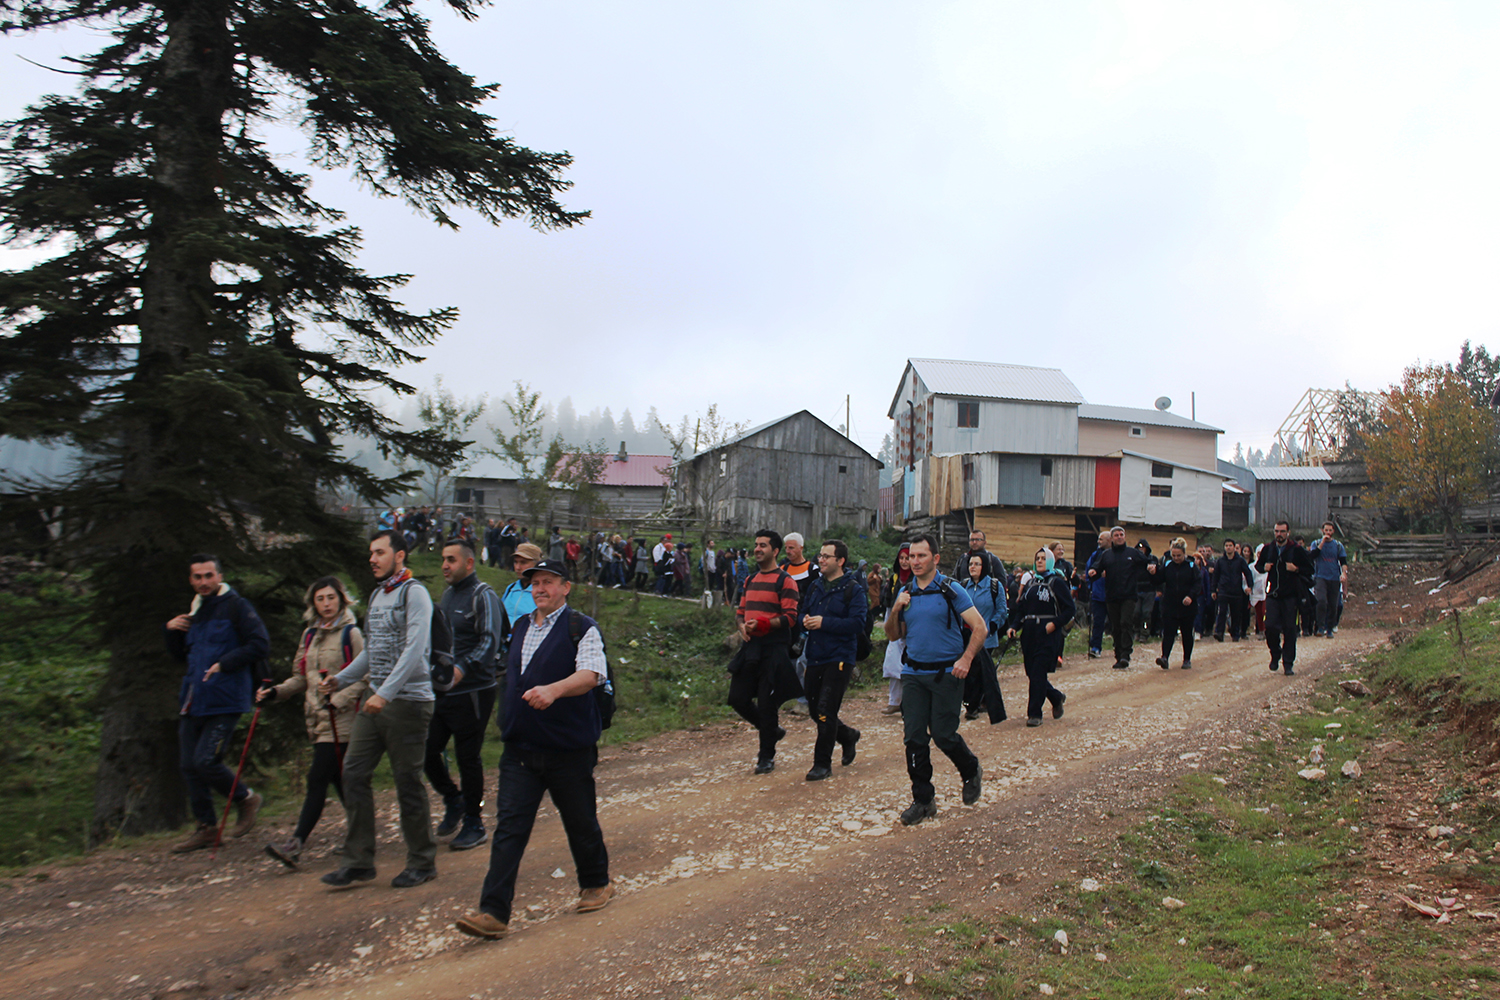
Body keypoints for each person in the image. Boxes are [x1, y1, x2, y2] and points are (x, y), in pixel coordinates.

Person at [454, 559, 612, 940]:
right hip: (521, 749)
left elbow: (592, 674)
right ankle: (493, 912)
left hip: (567, 748)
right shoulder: (522, 626)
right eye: (534, 583)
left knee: (579, 821)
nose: (539, 589)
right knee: (509, 827)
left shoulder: (581, 628)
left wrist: (554, 690)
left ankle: (596, 883)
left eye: (547, 582)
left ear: (565, 587)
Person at [318, 530, 439, 889]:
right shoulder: (377, 595)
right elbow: (372, 651)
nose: (373, 558)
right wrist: (340, 679)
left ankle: (422, 860)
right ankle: (358, 861)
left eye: (380, 552)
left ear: (399, 556)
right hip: (376, 700)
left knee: (407, 782)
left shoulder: (414, 594)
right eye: (371, 552)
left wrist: (385, 693)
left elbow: (414, 650)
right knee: (353, 774)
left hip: (409, 703)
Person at [164, 554, 272, 853]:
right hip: (193, 697)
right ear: (191, 580)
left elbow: (260, 644)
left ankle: (245, 798)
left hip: (226, 697)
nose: (203, 582)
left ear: (220, 576)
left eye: (208, 576)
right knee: (188, 765)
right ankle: (206, 828)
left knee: (205, 761)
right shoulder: (195, 610)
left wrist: (225, 663)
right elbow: (180, 656)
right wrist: (171, 631)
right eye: (197, 577)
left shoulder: (237, 606)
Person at [259, 576, 367, 867]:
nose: (326, 604)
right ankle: (362, 834)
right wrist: (275, 693)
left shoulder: (351, 634)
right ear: (313, 604)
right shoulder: (309, 635)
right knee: (339, 781)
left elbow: (366, 676)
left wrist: (340, 699)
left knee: (317, 777)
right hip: (316, 720)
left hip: (342, 720)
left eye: (331, 597)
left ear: (341, 599)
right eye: (320, 599)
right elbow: (299, 677)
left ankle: (295, 843)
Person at [884, 534, 986, 825]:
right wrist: (896, 608)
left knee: (943, 735)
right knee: (914, 738)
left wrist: (965, 660)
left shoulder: (951, 590)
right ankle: (923, 799)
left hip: (946, 674)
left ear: (936, 559)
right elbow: (893, 635)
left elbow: (979, 628)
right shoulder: (906, 592)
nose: (915, 561)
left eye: (921, 556)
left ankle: (970, 770)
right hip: (914, 674)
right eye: (911, 556)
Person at [426, 539, 505, 852]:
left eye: (451, 560)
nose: (445, 565)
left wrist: (462, 668)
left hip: (474, 690)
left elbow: (489, 642)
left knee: (467, 756)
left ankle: (474, 821)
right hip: (444, 689)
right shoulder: (447, 595)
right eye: (443, 559)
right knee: (427, 749)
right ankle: (453, 799)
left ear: (469, 563)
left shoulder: (482, 596)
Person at [726, 530, 803, 774]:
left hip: (773, 650)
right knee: (738, 698)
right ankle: (773, 731)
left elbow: (791, 618)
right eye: (756, 545)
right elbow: (740, 611)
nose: (757, 549)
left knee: (768, 704)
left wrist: (764, 624)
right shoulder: (749, 580)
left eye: (763, 545)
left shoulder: (785, 581)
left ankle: (765, 757)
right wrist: (741, 627)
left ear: (775, 551)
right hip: (751, 648)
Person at [796, 540, 867, 781]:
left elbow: (858, 624)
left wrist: (824, 622)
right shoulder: (816, 586)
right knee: (815, 710)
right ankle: (847, 735)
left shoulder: (853, 589)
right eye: (820, 555)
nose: (821, 560)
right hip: (815, 655)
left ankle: (821, 764)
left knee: (826, 709)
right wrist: (804, 620)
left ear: (840, 561)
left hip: (840, 657)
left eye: (827, 556)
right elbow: (802, 611)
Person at [1005, 547, 1073, 727]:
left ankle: (1034, 714)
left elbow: (1069, 609)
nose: (1040, 561)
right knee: (1032, 673)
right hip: (1029, 633)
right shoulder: (1030, 584)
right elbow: (1021, 610)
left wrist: (1055, 624)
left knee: (1038, 672)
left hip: (1047, 633)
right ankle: (1055, 696)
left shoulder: (1056, 583)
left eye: (1043, 558)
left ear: (1050, 561)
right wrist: (1014, 626)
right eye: (1037, 558)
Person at [1087, 527, 1152, 669]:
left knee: (1125, 623)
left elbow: (1147, 561)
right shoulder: (1106, 555)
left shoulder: (1132, 553)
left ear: (1125, 536)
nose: (1119, 537)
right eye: (1116, 535)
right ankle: (1118, 654)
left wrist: (1152, 567)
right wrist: (1093, 572)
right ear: (1112, 538)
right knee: (1115, 626)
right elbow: (1096, 568)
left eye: (1121, 534)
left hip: (1129, 595)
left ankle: (1125, 655)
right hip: (1111, 596)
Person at [1256, 521, 1314, 676]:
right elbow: (1258, 566)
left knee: (1290, 630)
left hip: (1291, 596)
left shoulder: (1296, 550)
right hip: (1273, 595)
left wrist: (1296, 569)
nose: (1279, 534)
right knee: (1270, 627)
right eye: (1276, 531)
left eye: (1282, 531)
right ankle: (1275, 653)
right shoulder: (1268, 549)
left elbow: (1310, 569)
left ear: (1288, 532)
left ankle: (1288, 663)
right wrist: (1264, 568)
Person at [960, 551, 1008, 723]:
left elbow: (1002, 610)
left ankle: (974, 706)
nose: (972, 567)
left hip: (986, 638)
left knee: (981, 672)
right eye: (971, 564)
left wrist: (993, 626)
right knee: (970, 672)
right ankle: (972, 703)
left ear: (985, 567)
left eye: (977, 564)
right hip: (966, 638)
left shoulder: (994, 586)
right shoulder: (964, 586)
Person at [1155, 539, 1200, 670]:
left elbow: (1198, 583)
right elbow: (1159, 579)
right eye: (1173, 555)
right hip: (1170, 604)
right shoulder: (1168, 565)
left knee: (1186, 633)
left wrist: (1191, 596)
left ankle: (1187, 659)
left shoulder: (1191, 566)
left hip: (1187, 606)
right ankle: (1165, 657)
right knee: (1168, 633)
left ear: (1184, 554)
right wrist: (1153, 573)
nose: (1176, 558)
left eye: (1178, 556)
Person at [1310, 523, 1348, 637]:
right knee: (1321, 601)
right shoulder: (1316, 543)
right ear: (1322, 530)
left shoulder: (1338, 545)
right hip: (1320, 576)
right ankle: (1320, 626)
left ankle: (1330, 628)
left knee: (1333, 604)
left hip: (1334, 577)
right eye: (1326, 530)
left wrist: (1344, 573)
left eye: (1330, 530)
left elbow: (1343, 561)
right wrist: (1322, 542)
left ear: (1333, 531)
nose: (1328, 532)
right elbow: (1313, 556)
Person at [1211, 540, 1253, 642]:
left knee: (1236, 614)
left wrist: (1250, 586)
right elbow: (1215, 576)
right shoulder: (1220, 561)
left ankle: (1235, 634)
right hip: (1223, 590)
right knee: (1222, 612)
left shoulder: (1240, 561)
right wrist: (1213, 590)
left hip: (1236, 591)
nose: (1228, 547)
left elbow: (1248, 573)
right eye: (1226, 545)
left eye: (1230, 545)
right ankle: (1219, 632)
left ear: (1234, 547)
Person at [1082, 531, 1110, 658]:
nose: (1098, 542)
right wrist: (1090, 585)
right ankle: (1096, 647)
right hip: (1098, 593)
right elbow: (1088, 571)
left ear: (1109, 540)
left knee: (1116, 622)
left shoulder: (1116, 554)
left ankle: (1120, 646)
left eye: (1101, 539)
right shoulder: (1095, 555)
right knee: (1097, 622)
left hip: (1113, 594)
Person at [502, 542, 542, 627]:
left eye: (523, 563)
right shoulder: (511, 588)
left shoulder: (542, 592)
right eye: (516, 562)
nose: (518, 567)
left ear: (536, 564)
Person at [1133, 539, 1160, 638]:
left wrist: (1158, 589)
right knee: (1136, 613)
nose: (1141, 550)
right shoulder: (1134, 561)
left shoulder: (1152, 559)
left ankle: (1144, 633)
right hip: (1137, 589)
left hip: (1149, 590)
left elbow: (1158, 575)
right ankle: (1136, 631)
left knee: (1146, 613)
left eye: (1143, 548)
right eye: (1139, 548)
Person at [1249, 542, 1268, 636]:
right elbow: (1247, 579)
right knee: (1259, 613)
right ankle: (1261, 630)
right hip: (1256, 593)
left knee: (1266, 612)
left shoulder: (1269, 565)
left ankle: (1267, 630)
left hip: (1267, 592)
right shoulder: (1252, 567)